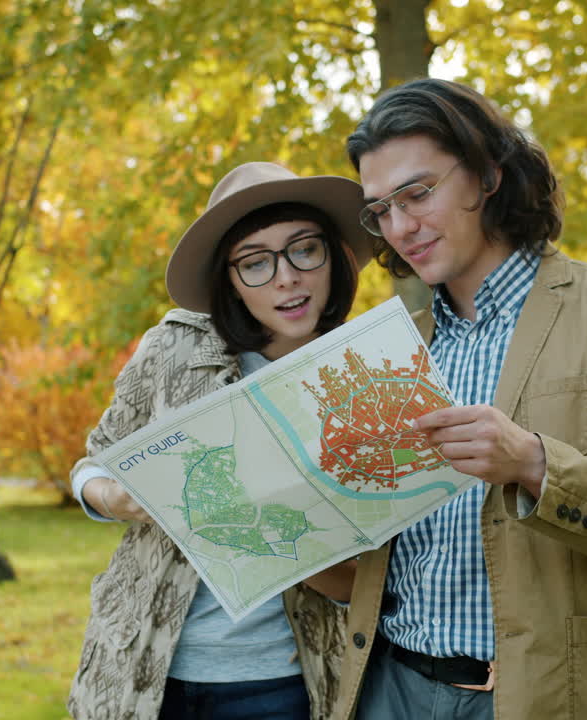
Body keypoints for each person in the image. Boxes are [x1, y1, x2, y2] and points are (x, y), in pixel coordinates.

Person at [332, 78, 587, 720]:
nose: (400, 227)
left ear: (488, 176)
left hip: (548, 696)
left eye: (417, 194)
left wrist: (535, 463)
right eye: (381, 211)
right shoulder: (390, 350)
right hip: (389, 690)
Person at [66, 161, 373, 720]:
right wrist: (114, 497)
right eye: (255, 262)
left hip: (280, 683)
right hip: (147, 670)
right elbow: (92, 463)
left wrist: (284, 542)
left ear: (333, 256)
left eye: (305, 250)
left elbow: (366, 582)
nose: (287, 277)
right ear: (229, 279)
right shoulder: (175, 350)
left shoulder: (365, 377)